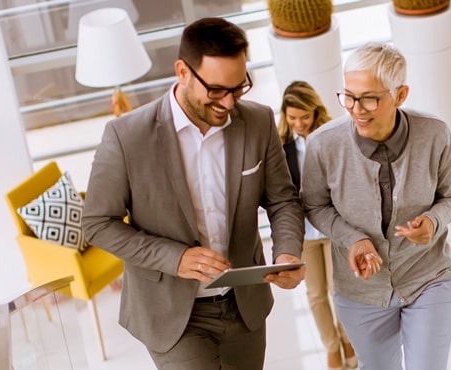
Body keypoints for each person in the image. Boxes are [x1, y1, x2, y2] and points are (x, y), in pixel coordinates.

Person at [82, 17, 306, 370]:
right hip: (172, 315)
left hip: (243, 306)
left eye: (238, 88)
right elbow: (97, 223)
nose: (229, 103)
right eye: (216, 90)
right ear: (182, 72)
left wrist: (287, 253)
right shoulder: (127, 137)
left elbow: (282, 200)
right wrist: (176, 258)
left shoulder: (259, 122)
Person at [301, 42, 451, 370]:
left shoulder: (435, 134)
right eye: (348, 95)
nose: (356, 109)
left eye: (370, 98)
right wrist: (353, 238)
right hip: (360, 292)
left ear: (400, 95)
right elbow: (315, 206)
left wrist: (432, 223)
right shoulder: (323, 144)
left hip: (429, 278)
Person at [278, 81, 358, 370]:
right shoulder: (280, 147)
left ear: (315, 112)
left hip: (334, 227)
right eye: (292, 118)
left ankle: (348, 339)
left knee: (340, 290)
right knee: (315, 293)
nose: (298, 124)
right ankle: (331, 346)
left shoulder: (332, 137)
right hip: (306, 232)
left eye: (304, 117)